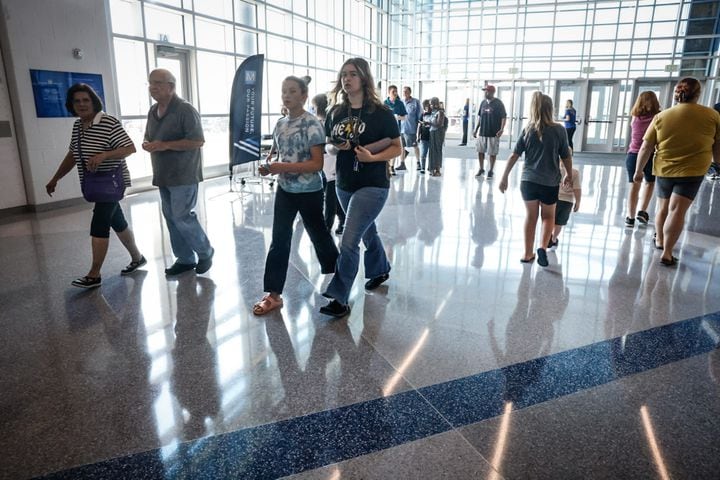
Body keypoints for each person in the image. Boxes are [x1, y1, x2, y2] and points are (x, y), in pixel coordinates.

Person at [321, 57, 402, 318]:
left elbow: (397, 147)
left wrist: (372, 157)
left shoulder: (381, 113)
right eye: (343, 74)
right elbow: (328, 144)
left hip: (373, 184)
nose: (346, 79)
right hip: (344, 183)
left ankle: (339, 297)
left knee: (349, 239)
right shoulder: (335, 112)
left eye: (353, 74)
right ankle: (380, 268)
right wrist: (337, 147)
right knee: (367, 232)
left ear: (364, 78)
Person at [252, 76, 339, 315]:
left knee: (319, 235)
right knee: (279, 240)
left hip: (310, 190)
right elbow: (276, 154)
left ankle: (340, 280)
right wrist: (269, 165)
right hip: (285, 190)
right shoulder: (280, 124)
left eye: (292, 91)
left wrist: (283, 167)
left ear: (303, 96)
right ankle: (273, 294)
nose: (287, 95)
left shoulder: (312, 124)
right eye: (283, 91)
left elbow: (316, 164)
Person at [46, 83, 145, 289]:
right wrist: (56, 178)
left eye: (86, 100)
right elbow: (73, 155)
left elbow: (130, 148)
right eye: (77, 101)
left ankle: (94, 274)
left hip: (111, 182)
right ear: (71, 105)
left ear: (94, 102)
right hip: (94, 183)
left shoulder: (108, 122)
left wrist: (105, 155)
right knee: (117, 221)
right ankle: (137, 257)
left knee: (99, 221)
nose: (82, 104)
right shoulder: (78, 126)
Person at [635, 77, 720, 266]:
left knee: (663, 207)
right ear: (698, 94)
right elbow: (718, 145)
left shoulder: (662, 116)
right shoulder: (713, 116)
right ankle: (667, 252)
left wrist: (638, 171)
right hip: (693, 170)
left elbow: (646, 147)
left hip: (665, 169)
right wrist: (718, 163)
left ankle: (659, 240)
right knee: (677, 211)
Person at [143, 69, 214, 277]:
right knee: (171, 218)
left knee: (182, 217)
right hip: (163, 174)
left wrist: (164, 145)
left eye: (158, 83)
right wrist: (148, 144)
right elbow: (150, 136)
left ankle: (205, 251)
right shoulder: (153, 110)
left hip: (183, 174)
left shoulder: (185, 110)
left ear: (171, 87)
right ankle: (184, 259)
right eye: (150, 83)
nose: (153, 87)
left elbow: (198, 141)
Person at [498, 92, 572, 267]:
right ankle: (542, 247)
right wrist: (568, 173)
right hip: (550, 182)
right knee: (548, 217)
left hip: (528, 182)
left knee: (531, 217)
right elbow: (566, 156)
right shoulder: (559, 130)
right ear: (550, 109)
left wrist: (504, 177)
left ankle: (527, 253)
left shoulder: (527, 129)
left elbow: (514, 155)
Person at [624, 91, 661, 228]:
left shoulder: (635, 117)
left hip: (633, 154)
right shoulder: (657, 118)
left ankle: (630, 216)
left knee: (634, 184)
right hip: (651, 155)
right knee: (649, 183)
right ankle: (642, 211)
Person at [312, 93, 346, 235]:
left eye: (314, 106)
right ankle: (342, 221)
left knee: (331, 197)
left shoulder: (328, 121)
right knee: (332, 195)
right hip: (323, 162)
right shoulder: (318, 121)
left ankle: (327, 226)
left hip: (331, 160)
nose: (312, 109)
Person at [473, 84, 507, 178]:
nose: (485, 93)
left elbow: (503, 117)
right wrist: (476, 129)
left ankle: (491, 170)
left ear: (492, 92)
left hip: (493, 133)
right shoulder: (483, 103)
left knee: (492, 153)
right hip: (483, 132)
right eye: (485, 91)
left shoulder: (498, 103)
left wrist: (501, 129)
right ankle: (481, 169)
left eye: (487, 91)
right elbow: (480, 117)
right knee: (480, 151)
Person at [548, 161, 581, 249]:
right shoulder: (574, 172)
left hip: (552, 199)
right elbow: (577, 189)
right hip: (567, 202)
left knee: (550, 219)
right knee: (559, 222)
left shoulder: (552, 170)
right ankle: (554, 239)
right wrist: (578, 202)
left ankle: (548, 237)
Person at [384, 85, 407, 174]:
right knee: (386, 149)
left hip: (397, 130)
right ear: (389, 92)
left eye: (396, 91)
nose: (395, 93)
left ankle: (392, 167)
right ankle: (387, 166)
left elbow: (404, 117)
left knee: (394, 148)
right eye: (393, 91)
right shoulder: (384, 103)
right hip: (386, 130)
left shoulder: (400, 103)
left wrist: (398, 117)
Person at [401, 86, 422, 171]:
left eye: (406, 91)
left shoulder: (415, 102)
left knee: (414, 145)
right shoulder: (401, 102)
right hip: (401, 128)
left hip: (411, 128)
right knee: (401, 147)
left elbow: (419, 115)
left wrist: (418, 127)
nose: (404, 93)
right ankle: (402, 164)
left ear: (410, 92)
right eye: (403, 91)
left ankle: (418, 162)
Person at [427, 97, 446, 177]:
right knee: (432, 151)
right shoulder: (433, 112)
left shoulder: (440, 112)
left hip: (438, 133)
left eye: (431, 104)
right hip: (432, 132)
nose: (430, 106)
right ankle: (432, 168)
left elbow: (439, 124)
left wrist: (429, 123)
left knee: (437, 150)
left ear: (435, 104)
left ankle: (437, 170)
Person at [417, 99, 432, 174]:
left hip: (432, 137)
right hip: (424, 136)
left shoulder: (434, 114)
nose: (428, 108)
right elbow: (419, 126)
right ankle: (423, 167)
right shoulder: (422, 115)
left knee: (431, 154)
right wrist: (418, 136)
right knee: (423, 153)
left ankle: (430, 167)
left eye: (429, 106)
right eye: (426, 107)